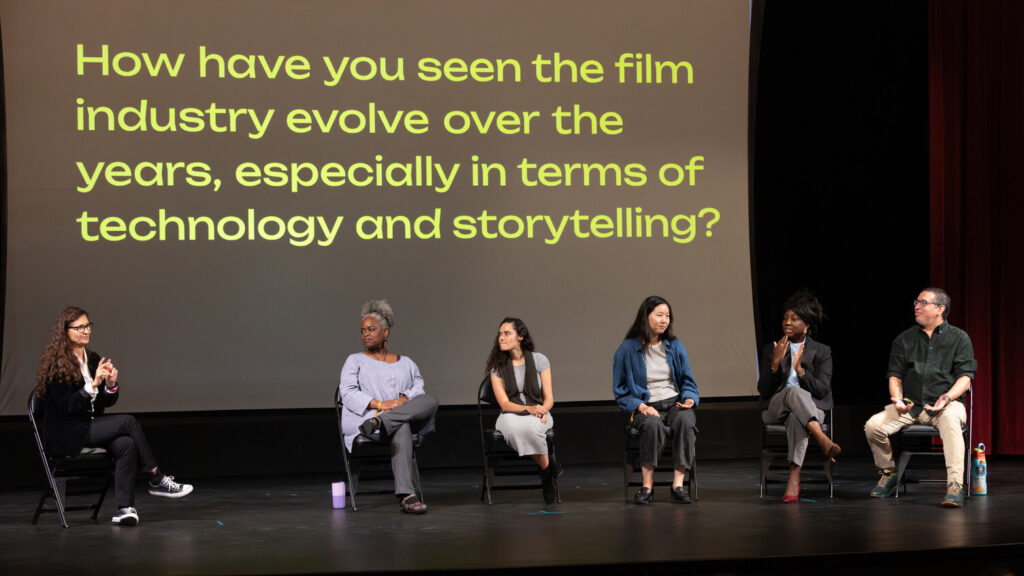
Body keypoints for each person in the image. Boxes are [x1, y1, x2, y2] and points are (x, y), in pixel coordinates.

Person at [34, 307, 193, 526]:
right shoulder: (56, 366)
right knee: (127, 421)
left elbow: (100, 408)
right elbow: (69, 406)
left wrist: (109, 386)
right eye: (78, 327)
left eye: (87, 325)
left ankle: (124, 508)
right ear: (64, 331)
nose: (85, 330)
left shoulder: (92, 359)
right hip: (65, 433)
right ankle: (156, 477)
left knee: (126, 443)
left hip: (86, 427)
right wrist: (93, 385)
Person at [864, 288, 976, 507]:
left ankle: (955, 485)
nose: (917, 306)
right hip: (910, 406)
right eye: (916, 302)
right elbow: (895, 375)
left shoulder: (959, 338)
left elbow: (966, 377)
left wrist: (947, 397)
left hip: (945, 405)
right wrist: (897, 399)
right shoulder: (904, 339)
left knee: (952, 423)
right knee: (873, 426)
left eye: (923, 302)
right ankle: (889, 473)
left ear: (940, 309)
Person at [338, 299, 439, 514]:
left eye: (372, 329)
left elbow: (418, 389)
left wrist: (402, 402)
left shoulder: (407, 362)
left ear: (385, 332)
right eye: (363, 330)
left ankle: (381, 421)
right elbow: (347, 393)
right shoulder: (354, 361)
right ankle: (407, 496)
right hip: (364, 419)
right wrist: (380, 405)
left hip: (381, 422)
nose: (366, 334)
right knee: (401, 425)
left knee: (431, 401)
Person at [757, 291, 841, 502]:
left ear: (807, 324)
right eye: (785, 318)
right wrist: (775, 365)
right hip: (777, 408)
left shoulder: (822, 351)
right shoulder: (773, 348)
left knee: (798, 418)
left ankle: (794, 477)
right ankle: (822, 438)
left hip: (811, 408)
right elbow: (764, 390)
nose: (787, 322)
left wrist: (802, 372)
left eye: (794, 319)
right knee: (793, 392)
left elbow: (822, 390)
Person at [613, 296, 698, 505]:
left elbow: (688, 381)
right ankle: (647, 486)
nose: (664, 320)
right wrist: (640, 406)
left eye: (667, 316)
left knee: (686, 421)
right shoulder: (627, 349)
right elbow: (620, 391)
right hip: (646, 406)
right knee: (652, 425)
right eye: (659, 315)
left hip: (674, 403)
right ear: (646, 316)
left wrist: (689, 399)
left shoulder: (674, 346)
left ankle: (678, 484)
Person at [484, 317, 562, 504]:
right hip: (509, 414)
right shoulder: (497, 367)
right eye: (499, 334)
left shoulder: (540, 360)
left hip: (539, 411)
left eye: (507, 333)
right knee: (515, 427)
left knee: (532, 428)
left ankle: (545, 473)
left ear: (520, 336)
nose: (501, 338)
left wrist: (543, 410)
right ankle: (548, 469)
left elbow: (549, 397)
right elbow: (504, 404)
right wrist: (529, 408)